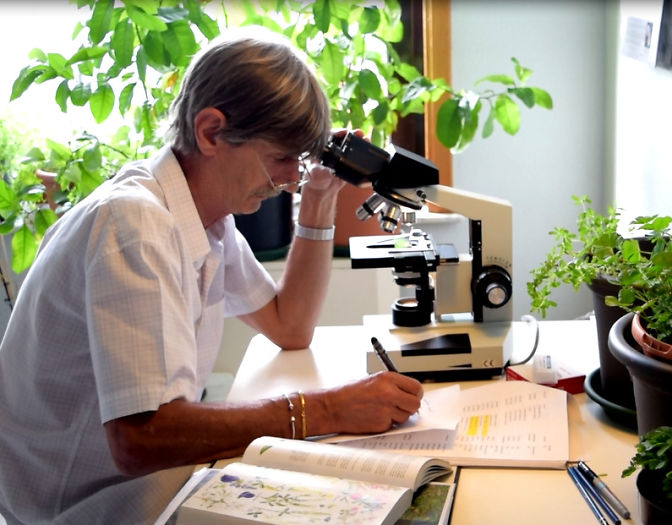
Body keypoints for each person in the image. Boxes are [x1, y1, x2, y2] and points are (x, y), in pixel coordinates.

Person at [0, 29, 424, 524]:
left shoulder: (206, 221)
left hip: (143, 481)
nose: (290, 177)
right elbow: (142, 439)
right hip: (75, 507)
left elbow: (289, 326)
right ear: (210, 131)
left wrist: (320, 196)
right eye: (280, 159)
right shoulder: (134, 224)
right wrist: (326, 411)